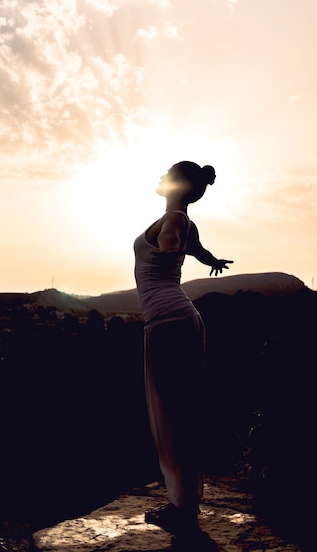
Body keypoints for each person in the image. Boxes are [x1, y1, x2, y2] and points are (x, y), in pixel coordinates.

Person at [134, 161, 233, 548]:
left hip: (168, 321)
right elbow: (200, 251)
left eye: (164, 174)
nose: (157, 178)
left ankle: (182, 507)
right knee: (180, 413)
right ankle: (183, 503)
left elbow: (175, 241)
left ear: (175, 183)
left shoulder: (174, 221)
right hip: (177, 319)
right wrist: (211, 261)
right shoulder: (183, 221)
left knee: (172, 415)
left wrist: (170, 245)